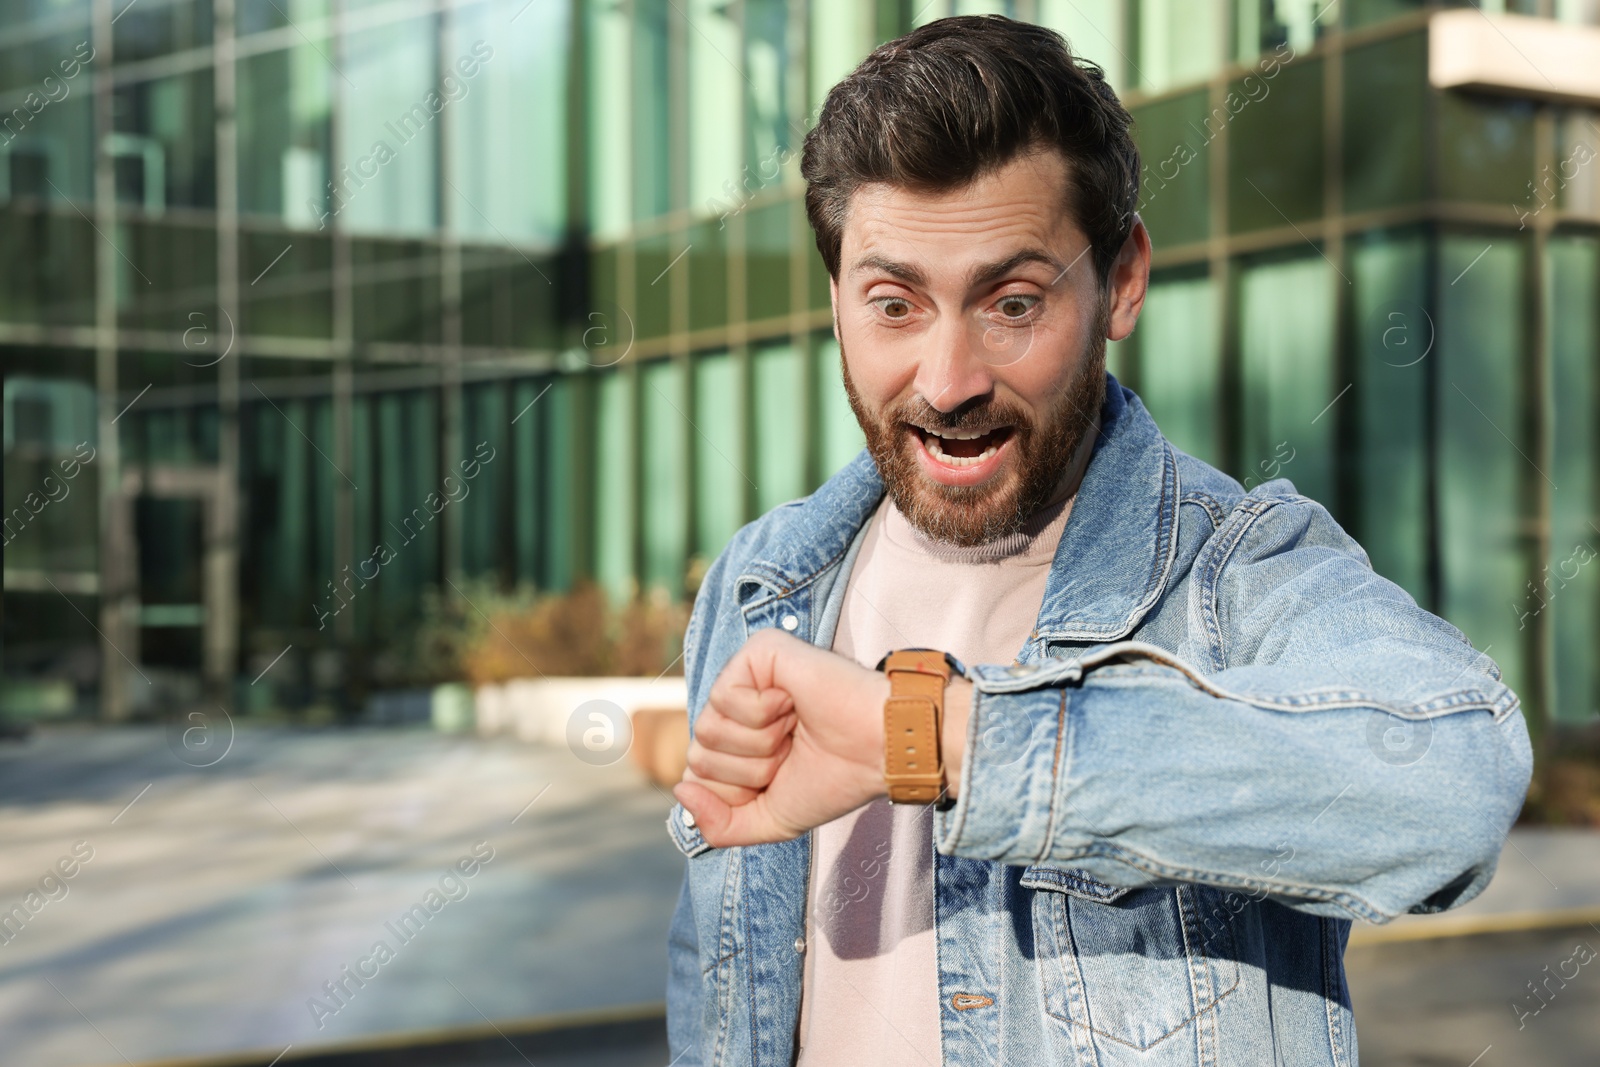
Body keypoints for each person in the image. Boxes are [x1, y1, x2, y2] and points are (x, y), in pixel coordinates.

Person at [664, 15, 1532, 1066]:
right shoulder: (761, 587)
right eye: (893, 303)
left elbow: (1453, 783)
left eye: (1012, 301)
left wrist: (940, 737)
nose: (947, 382)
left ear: (1120, 280)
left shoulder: (1231, 576)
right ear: (837, 303)